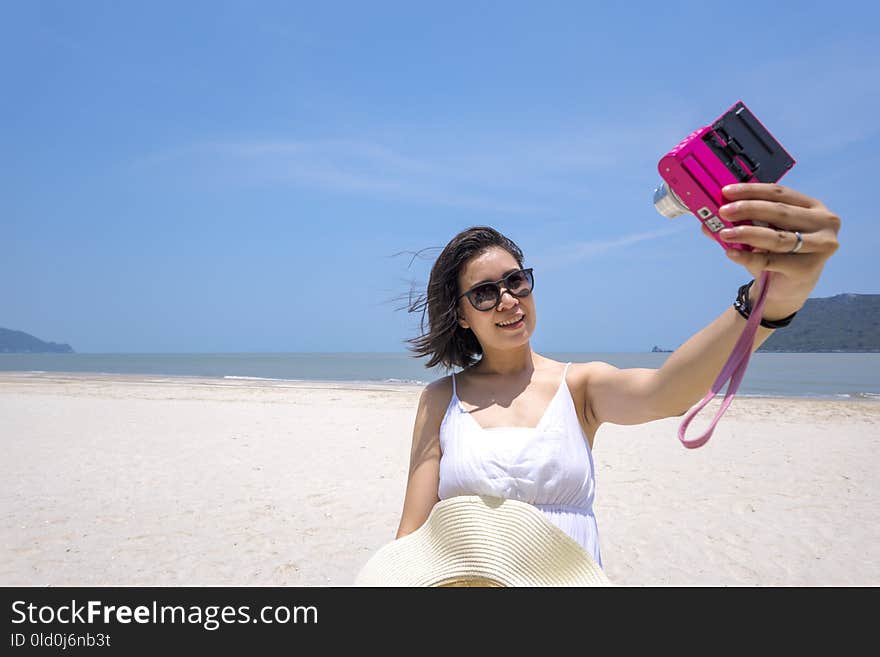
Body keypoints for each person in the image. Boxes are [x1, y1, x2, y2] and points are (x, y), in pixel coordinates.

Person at [395, 182, 841, 569]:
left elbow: (667, 394)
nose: (509, 299)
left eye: (516, 281)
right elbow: (411, 540)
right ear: (463, 317)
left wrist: (768, 302)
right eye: (486, 293)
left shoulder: (579, 386)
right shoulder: (441, 399)